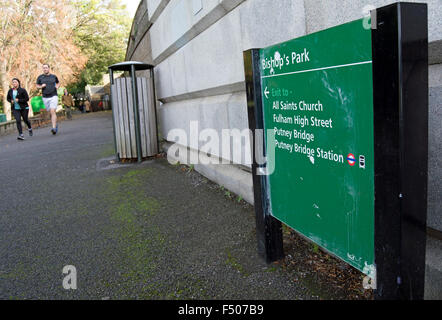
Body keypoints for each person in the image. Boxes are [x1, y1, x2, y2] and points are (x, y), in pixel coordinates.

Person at [36, 64, 60, 135]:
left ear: (49, 68)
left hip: (53, 96)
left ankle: (53, 128)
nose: (45, 69)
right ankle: (55, 124)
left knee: (52, 111)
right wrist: (41, 86)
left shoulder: (54, 76)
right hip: (45, 97)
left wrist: (57, 86)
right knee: (50, 112)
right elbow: (37, 86)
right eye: (43, 68)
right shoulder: (40, 77)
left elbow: (58, 82)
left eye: (46, 68)